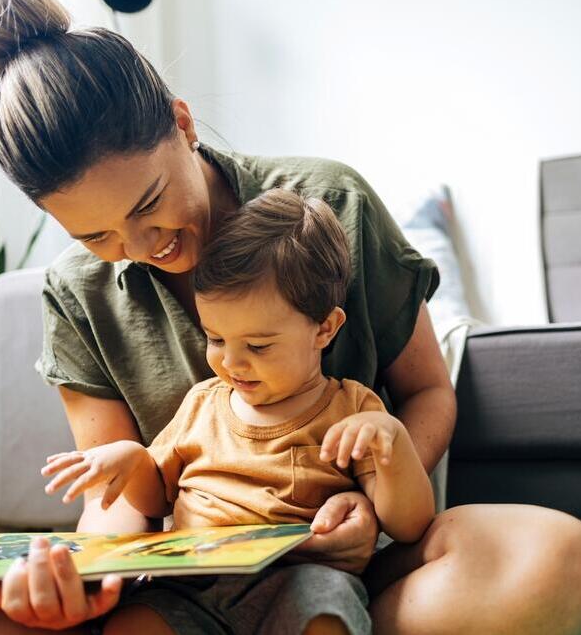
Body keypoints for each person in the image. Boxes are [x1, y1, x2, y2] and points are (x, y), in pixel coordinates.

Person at [0, 0, 581, 633]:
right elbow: (120, 496)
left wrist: (374, 493)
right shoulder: (74, 293)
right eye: (97, 236)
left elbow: (426, 391)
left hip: (345, 558)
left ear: (181, 123)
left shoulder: (329, 203)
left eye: (148, 206)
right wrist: (83, 580)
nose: (143, 248)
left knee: (560, 560)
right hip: (188, 584)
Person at [39, 189, 436, 634]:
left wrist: (394, 444)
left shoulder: (353, 411)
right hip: (192, 585)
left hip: (298, 581)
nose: (232, 362)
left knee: (327, 615)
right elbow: (157, 497)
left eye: (258, 346)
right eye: (216, 339)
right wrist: (131, 461)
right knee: (132, 623)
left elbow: (410, 524)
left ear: (325, 328)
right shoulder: (202, 404)